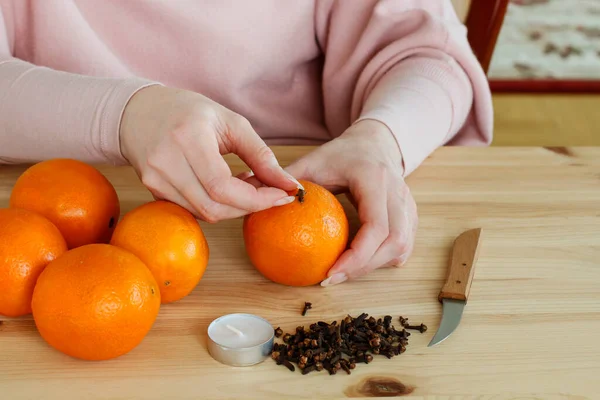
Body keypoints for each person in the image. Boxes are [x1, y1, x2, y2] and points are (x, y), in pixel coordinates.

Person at [0, 0, 493, 286]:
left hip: (303, 198)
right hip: (60, 231)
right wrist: (122, 114)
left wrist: (381, 138)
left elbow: (429, 56)